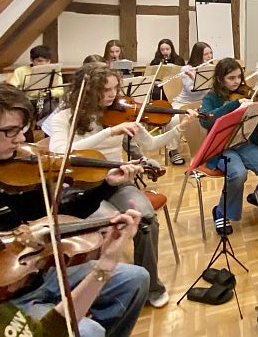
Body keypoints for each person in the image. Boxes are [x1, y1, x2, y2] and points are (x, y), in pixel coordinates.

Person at [0, 83, 150, 335]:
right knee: (89, 331)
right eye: (9, 131)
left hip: (39, 273)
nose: (21, 139)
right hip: (2, 294)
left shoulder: (10, 170)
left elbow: (58, 211)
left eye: (22, 129)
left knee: (135, 279)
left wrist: (105, 186)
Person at [0, 140, 146, 337]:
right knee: (90, 330)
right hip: (20, 287)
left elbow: (43, 333)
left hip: (32, 275)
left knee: (133, 278)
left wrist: (105, 264)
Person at [47, 63, 199, 308]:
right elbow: (59, 154)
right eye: (105, 90)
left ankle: (149, 285)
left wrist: (179, 128)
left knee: (146, 218)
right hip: (79, 188)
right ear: (86, 92)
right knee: (104, 227)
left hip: (116, 181)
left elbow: (150, 145)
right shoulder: (65, 117)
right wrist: (109, 133)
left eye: (115, 88)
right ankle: (98, 292)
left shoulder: (122, 112)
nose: (112, 94)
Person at [200, 58, 258, 235]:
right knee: (238, 173)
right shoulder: (210, 98)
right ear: (219, 79)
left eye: (239, 77)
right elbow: (207, 121)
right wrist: (234, 105)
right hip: (222, 148)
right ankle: (221, 211)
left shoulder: (247, 94)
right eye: (231, 78)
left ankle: (257, 196)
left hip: (245, 143)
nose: (237, 82)